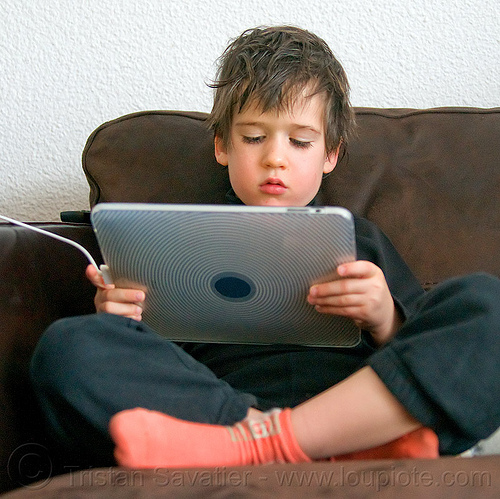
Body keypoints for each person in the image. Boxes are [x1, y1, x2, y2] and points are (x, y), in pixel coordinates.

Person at [30, 26, 500, 469]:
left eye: (299, 142)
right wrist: (120, 317)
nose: (275, 157)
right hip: (216, 405)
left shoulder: (360, 238)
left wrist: (384, 317)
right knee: (69, 345)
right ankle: (293, 444)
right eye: (254, 137)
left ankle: (267, 444)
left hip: (357, 406)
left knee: (487, 306)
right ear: (222, 146)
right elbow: (143, 358)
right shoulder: (175, 238)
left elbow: (429, 350)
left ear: (330, 155)